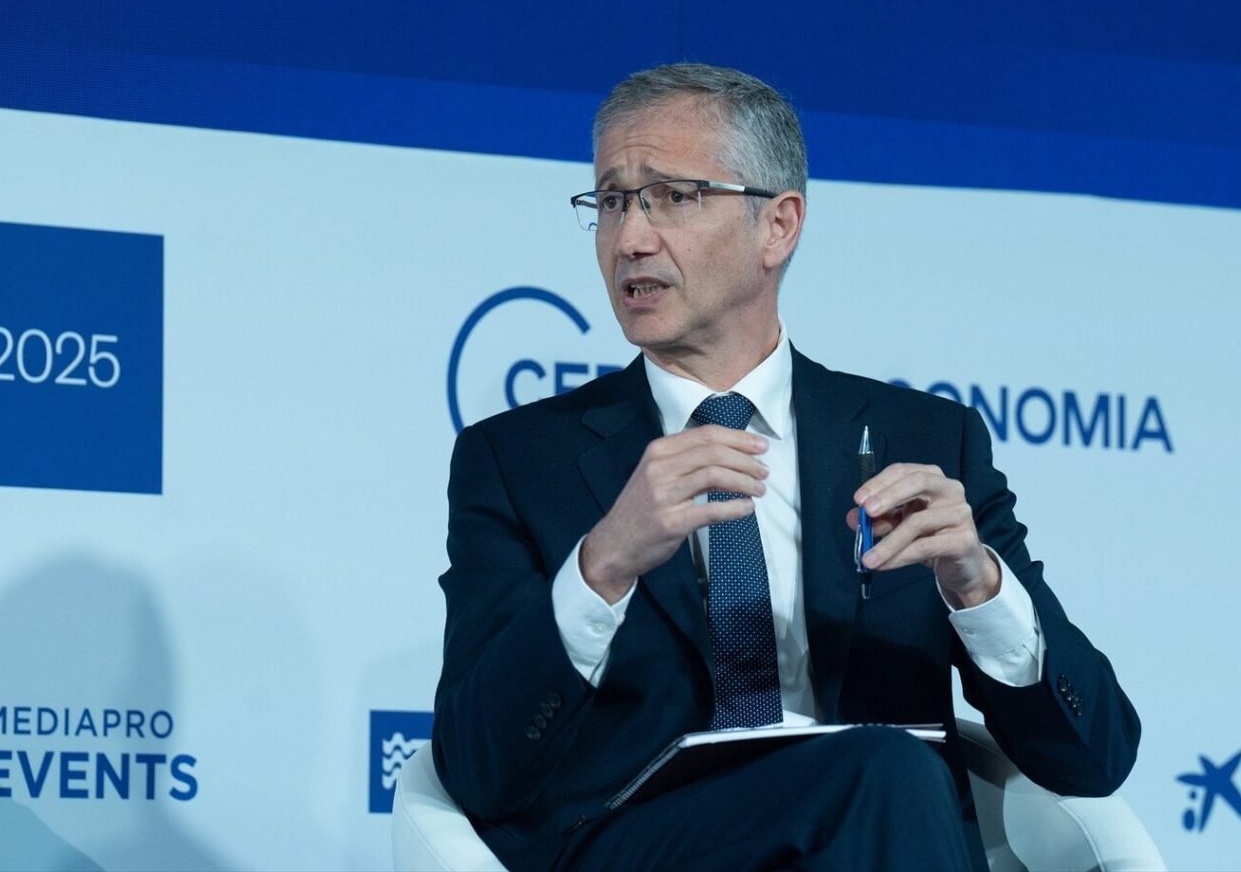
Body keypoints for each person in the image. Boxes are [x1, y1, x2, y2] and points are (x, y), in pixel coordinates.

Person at [432, 63, 1139, 872]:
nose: (630, 238)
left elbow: (1097, 758)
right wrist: (602, 565)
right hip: (645, 844)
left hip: (874, 831)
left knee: (889, 777)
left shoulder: (925, 441)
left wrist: (980, 588)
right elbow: (477, 769)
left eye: (673, 196)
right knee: (890, 772)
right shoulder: (520, 459)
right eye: (612, 201)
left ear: (779, 225)